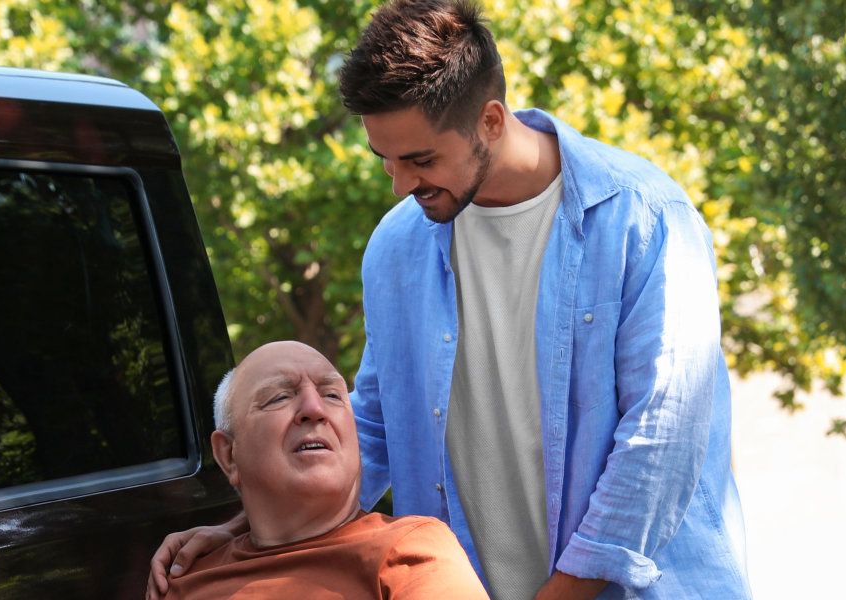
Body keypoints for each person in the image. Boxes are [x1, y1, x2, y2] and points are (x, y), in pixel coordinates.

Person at [151, 1, 750, 598]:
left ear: (491, 121)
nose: (401, 184)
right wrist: (240, 531)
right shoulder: (396, 248)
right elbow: (374, 426)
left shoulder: (642, 219)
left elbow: (662, 443)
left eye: (420, 160)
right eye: (384, 160)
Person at [161, 340, 488, 600]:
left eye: (333, 395)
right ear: (229, 455)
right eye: (279, 397)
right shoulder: (183, 577)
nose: (314, 409)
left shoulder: (407, 550)